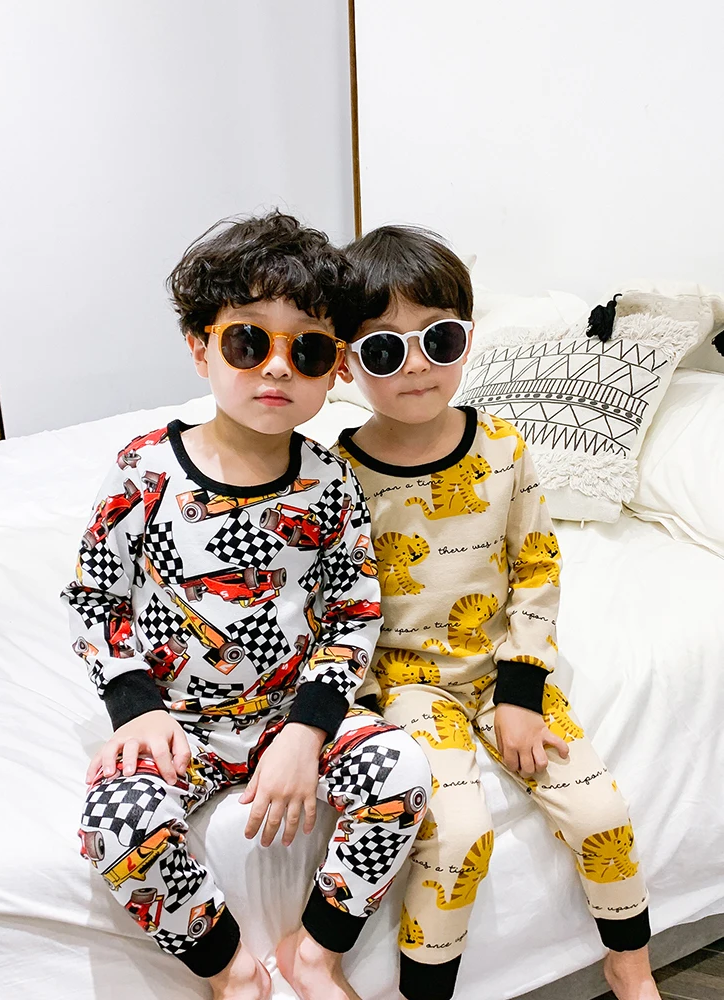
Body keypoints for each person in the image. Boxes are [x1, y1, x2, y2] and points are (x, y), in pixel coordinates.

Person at [61, 212, 431, 1000]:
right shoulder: (144, 471)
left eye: (308, 350)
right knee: (116, 822)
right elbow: (96, 596)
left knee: (401, 770)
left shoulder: (329, 483)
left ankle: (315, 953)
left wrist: (307, 731)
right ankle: (231, 971)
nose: (278, 367)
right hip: (181, 723)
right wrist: (135, 709)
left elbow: (353, 613)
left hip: (289, 714)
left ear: (336, 368)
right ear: (200, 348)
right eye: (247, 341)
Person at [332, 224, 660, 1000]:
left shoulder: (505, 450)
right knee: (456, 833)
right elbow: (338, 603)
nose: (417, 365)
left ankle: (631, 966)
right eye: (385, 349)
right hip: (410, 685)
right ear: (346, 362)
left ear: (468, 339)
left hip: (502, 666)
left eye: (439, 339)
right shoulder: (340, 475)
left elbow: (537, 572)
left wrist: (519, 693)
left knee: (599, 808)